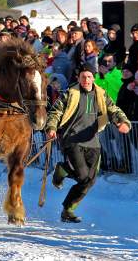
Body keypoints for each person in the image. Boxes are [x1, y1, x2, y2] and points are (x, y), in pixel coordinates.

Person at [46, 64, 131, 223]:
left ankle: (68, 210)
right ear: (78, 78)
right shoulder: (70, 94)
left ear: (93, 78)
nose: (86, 80)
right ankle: (63, 169)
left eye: (89, 77)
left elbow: (113, 110)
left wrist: (122, 122)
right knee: (83, 176)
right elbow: (55, 112)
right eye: (83, 77)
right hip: (72, 140)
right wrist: (51, 127)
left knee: (89, 181)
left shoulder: (101, 95)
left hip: (93, 142)